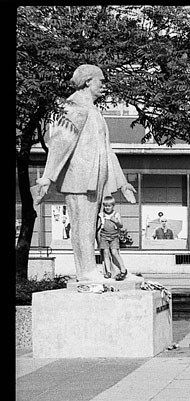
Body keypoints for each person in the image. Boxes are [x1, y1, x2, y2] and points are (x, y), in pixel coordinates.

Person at [33, 64, 136, 282]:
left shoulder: (93, 111)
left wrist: (123, 182)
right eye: (101, 82)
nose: (104, 87)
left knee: (89, 224)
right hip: (79, 178)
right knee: (83, 225)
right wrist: (47, 177)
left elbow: (106, 149)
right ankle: (87, 271)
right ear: (88, 81)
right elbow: (60, 143)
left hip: (93, 178)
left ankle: (88, 270)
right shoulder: (75, 107)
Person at [97, 195, 128, 280]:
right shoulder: (101, 215)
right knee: (105, 253)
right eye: (105, 206)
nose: (107, 207)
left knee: (114, 252)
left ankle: (123, 269)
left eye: (109, 206)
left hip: (114, 236)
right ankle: (108, 271)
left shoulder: (116, 214)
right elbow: (98, 226)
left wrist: (116, 222)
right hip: (104, 235)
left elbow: (121, 225)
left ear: (113, 206)